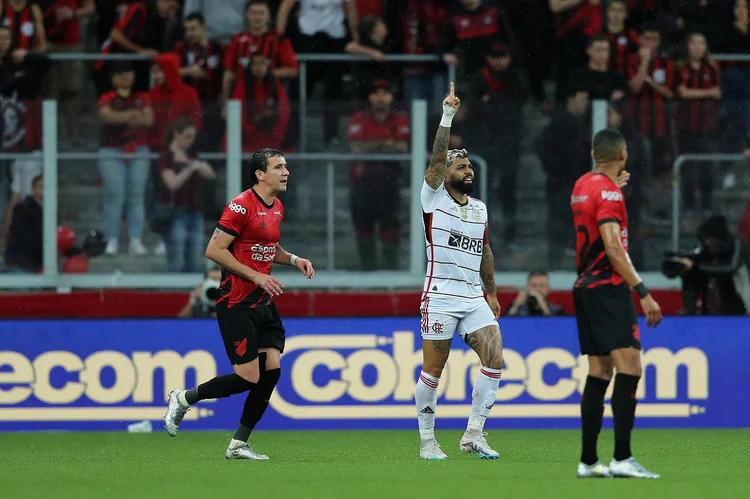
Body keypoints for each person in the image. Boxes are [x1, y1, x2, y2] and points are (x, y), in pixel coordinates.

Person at [163, 148, 315, 460]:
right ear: (260, 174)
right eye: (278, 167)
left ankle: (238, 444)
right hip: (237, 302)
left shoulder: (276, 207)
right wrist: (257, 277)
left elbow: (267, 247)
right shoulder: (240, 206)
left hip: (263, 302)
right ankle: (184, 398)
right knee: (249, 377)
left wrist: (294, 259)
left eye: (286, 166)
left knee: (271, 370)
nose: (286, 172)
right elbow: (215, 250)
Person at [416, 82, 505, 460]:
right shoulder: (432, 198)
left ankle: (473, 434)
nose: (468, 170)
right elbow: (436, 160)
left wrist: (493, 293)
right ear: (445, 171)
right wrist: (448, 115)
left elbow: (485, 250)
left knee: (496, 358)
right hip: (439, 296)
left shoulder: (480, 208)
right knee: (433, 371)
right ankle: (427, 441)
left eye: (469, 165)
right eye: (461, 165)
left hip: (473, 298)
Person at [570, 128, 662, 479]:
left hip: (584, 286)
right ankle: (622, 458)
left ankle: (589, 461)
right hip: (608, 286)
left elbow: (595, 213)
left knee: (599, 371)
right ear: (623, 154)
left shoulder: (582, 185)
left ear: (595, 154)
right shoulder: (608, 194)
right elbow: (612, 246)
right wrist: (643, 291)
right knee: (630, 368)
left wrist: (612, 189)